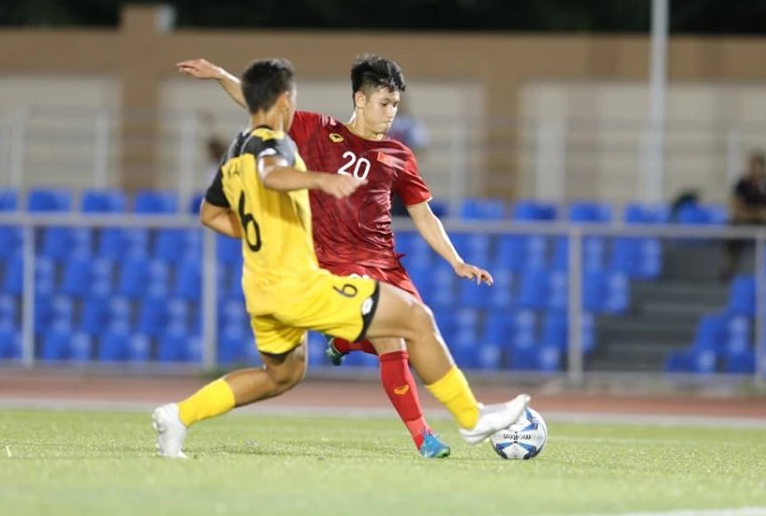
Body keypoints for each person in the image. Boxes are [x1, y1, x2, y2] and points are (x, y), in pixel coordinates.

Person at [152, 58, 529, 459]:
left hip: (332, 272)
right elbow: (270, 164)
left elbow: (423, 214)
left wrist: (456, 261)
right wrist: (320, 179)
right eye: (384, 103)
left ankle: (179, 416)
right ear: (359, 100)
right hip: (327, 269)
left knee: (282, 375)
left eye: (395, 104)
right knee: (412, 324)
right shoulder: (306, 135)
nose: (391, 112)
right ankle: (457, 424)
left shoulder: (395, 155)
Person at [722, 151, 766, 280]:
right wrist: (756, 214)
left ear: (764, 168)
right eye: (752, 167)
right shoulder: (742, 184)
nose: (755, 171)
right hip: (746, 221)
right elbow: (737, 208)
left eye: (758, 167)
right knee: (731, 227)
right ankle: (730, 268)